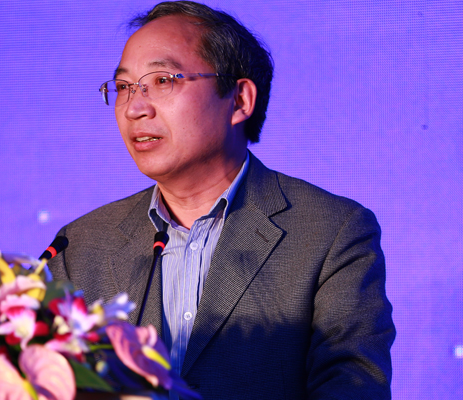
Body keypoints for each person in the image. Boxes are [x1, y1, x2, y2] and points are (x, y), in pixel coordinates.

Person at [47, 1, 395, 398]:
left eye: (162, 80)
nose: (135, 108)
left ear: (240, 100)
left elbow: (352, 389)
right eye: (125, 87)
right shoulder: (80, 246)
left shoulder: (331, 233)